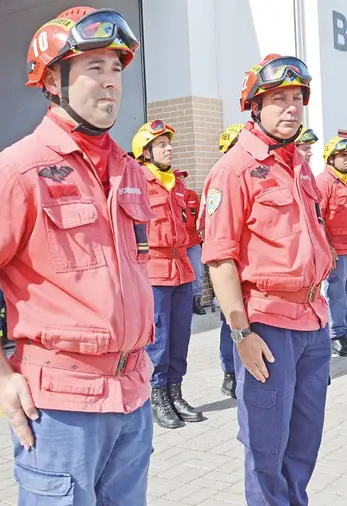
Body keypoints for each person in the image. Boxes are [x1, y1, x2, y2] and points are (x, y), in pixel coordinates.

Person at [0, 8, 154, 504]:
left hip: (134, 396)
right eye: (94, 68)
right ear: (53, 80)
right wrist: (0, 379)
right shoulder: (19, 169)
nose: (111, 83)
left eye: (116, 69)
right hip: (60, 408)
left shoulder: (130, 172)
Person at [201, 53, 333, 506]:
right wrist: (241, 333)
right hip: (268, 324)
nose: (292, 108)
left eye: (298, 98)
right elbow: (219, 259)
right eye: (279, 99)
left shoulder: (298, 166)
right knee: (266, 447)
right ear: (255, 106)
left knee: (304, 442)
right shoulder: (234, 169)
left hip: (314, 322)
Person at [132, 119, 204, 429]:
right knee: (158, 340)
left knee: (180, 337)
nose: (169, 148)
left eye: (168, 143)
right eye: (161, 144)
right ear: (145, 152)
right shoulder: (138, 184)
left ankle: (175, 392)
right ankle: (157, 395)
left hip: (182, 270)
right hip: (155, 273)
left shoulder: (178, 184)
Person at [317, 136, 347, 357]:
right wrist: (328, 246)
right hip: (337, 251)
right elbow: (318, 219)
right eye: (342, 156)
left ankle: (346, 333)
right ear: (330, 158)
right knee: (337, 295)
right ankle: (336, 335)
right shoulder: (324, 182)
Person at [213, 123, 244, 399]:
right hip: (230, 271)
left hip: (252, 275)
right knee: (229, 323)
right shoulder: (221, 178)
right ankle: (230, 373)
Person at [177, 169, 206, 315]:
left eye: (183, 177)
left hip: (193, 240)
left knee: (197, 271)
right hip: (178, 243)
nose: (182, 180)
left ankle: (196, 300)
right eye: (179, 177)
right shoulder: (172, 195)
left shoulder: (192, 195)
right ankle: (184, 303)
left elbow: (199, 219)